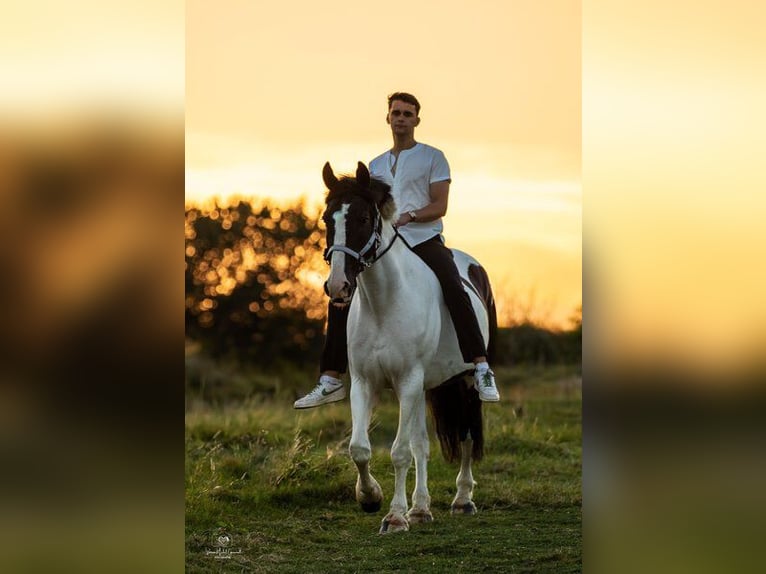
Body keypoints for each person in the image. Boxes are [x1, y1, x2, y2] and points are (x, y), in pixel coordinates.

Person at [294, 92, 499, 409]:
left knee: (453, 285)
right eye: (396, 113)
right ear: (387, 118)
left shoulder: (433, 157)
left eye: (407, 113)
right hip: (384, 246)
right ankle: (330, 378)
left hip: (423, 239)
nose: (401, 118)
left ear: (417, 119)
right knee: (340, 291)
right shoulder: (375, 165)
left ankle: (481, 366)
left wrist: (410, 216)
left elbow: (440, 205)